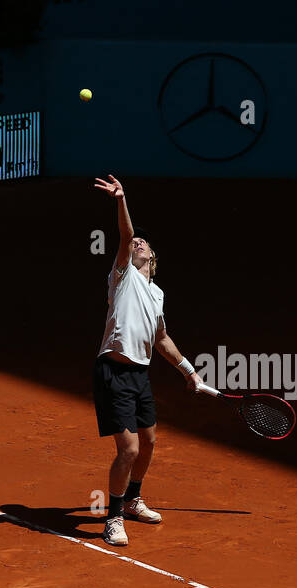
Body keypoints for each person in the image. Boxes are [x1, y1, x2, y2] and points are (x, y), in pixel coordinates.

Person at [91, 174, 203, 547]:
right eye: (135, 241)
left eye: (144, 243)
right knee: (130, 449)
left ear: (152, 258)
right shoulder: (122, 277)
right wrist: (121, 199)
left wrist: (189, 372)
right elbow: (125, 235)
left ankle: (133, 499)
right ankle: (113, 517)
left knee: (150, 442)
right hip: (113, 371)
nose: (137, 242)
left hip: (139, 374)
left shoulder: (156, 294)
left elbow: (161, 339)